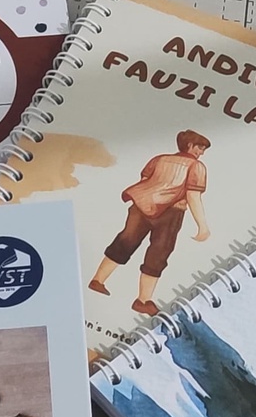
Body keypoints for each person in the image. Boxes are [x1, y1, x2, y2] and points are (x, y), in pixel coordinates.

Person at [88, 130, 211, 316]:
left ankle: (98, 280)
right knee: (159, 252)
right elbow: (193, 196)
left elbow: (145, 181)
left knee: (125, 241)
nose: (201, 153)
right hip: (171, 212)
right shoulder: (196, 167)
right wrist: (202, 225)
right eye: (199, 148)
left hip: (140, 205)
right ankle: (143, 300)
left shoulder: (159, 159)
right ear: (189, 145)